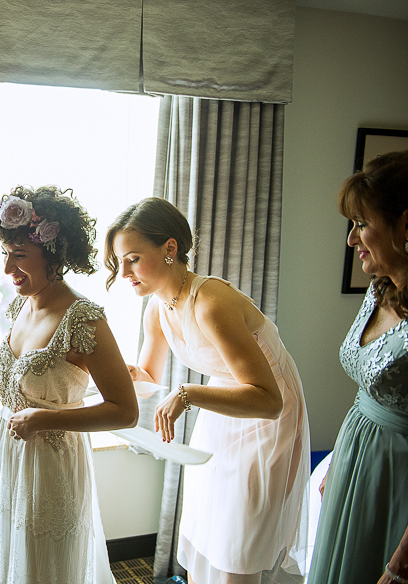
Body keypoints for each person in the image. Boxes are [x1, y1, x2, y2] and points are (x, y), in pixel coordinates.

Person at [104, 197, 310, 584]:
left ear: (170, 248)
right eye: (119, 263)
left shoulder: (211, 302)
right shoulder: (157, 308)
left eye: (132, 258)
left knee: (238, 537)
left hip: (266, 414)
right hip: (222, 412)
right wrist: (113, 373)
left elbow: (268, 399)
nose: (125, 272)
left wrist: (187, 395)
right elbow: (147, 377)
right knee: (207, 527)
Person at [0, 185, 139, 584]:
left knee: (45, 567)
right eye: (5, 254)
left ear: (54, 254)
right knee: (13, 558)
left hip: (52, 466)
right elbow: (23, 369)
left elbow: (126, 411)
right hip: (12, 458)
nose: (9, 267)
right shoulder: (21, 303)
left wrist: (43, 421)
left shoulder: (83, 319)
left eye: (20, 255)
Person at [308, 151, 408, 584]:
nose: (351, 239)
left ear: (406, 225)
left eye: (362, 224)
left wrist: (401, 562)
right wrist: (339, 461)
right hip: (355, 460)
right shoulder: (378, 290)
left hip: (398, 482)